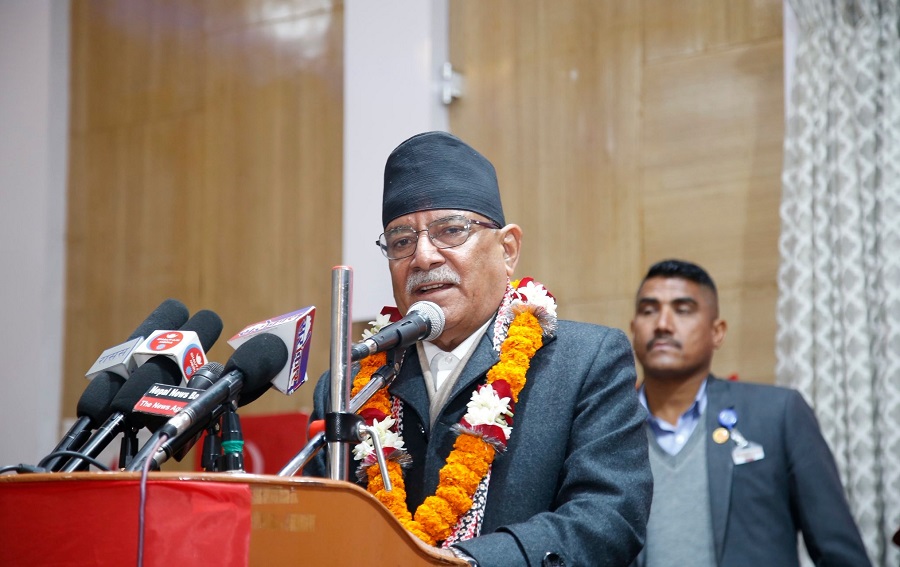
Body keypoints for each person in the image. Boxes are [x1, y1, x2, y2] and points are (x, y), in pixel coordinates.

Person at [306, 131, 652, 566]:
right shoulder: (349, 387)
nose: (424, 257)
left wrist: (466, 562)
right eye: (401, 241)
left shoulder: (586, 362)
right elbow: (316, 531)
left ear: (508, 249)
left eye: (451, 231)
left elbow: (608, 519)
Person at [629, 259, 870, 567]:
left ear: (717, 332)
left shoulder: (777, 414)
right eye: (649, 310)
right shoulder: (609, 429)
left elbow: (840, 553)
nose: (663, 324)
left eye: (683, 309)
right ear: (633, 330)